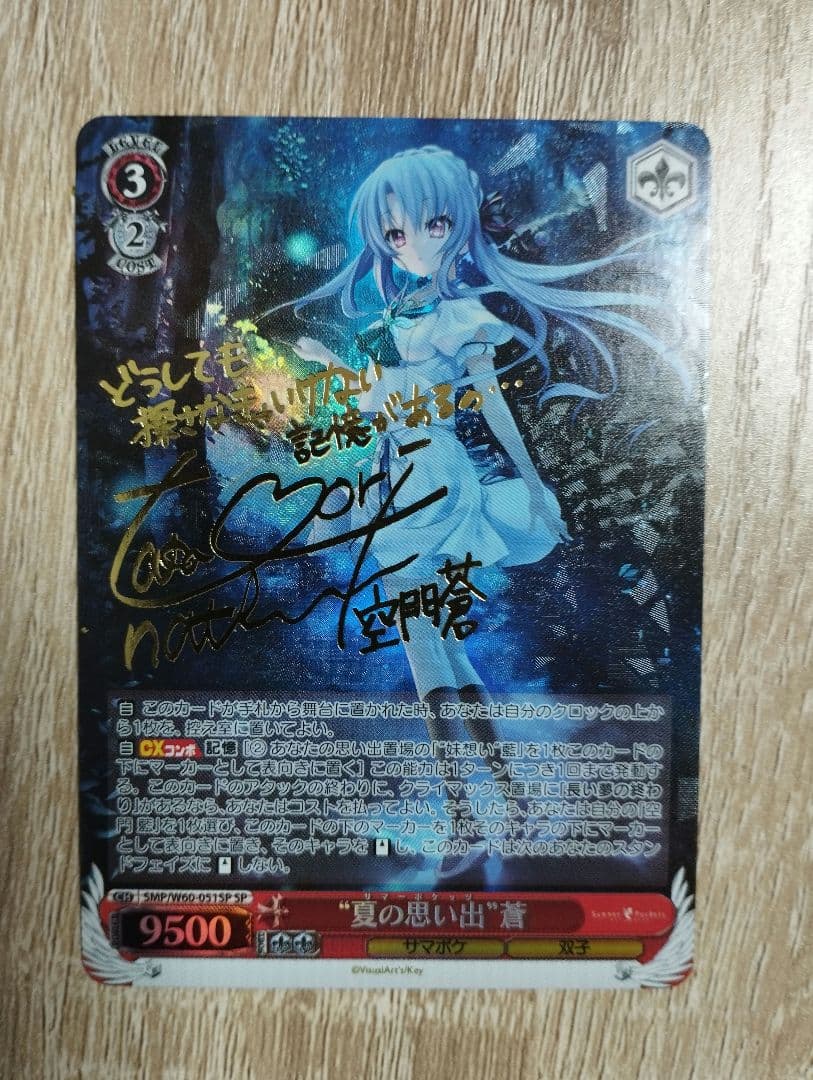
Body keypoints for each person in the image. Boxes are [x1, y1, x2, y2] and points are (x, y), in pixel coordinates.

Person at [284, 145, 683, 881]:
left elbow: (488, 407)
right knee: (441, 649)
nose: (410, 245)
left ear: (457, 223)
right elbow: (387, 400)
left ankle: (467, 817)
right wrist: (330, 366)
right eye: (394, 234)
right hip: (403, 472)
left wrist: (533, 486)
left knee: (424, 648)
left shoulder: (459, 315)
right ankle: (507, 802)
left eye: (429, 226)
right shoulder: (409, 311)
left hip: (430, 478)